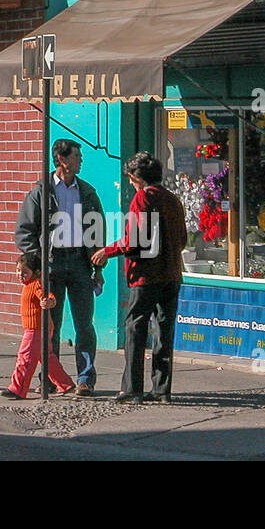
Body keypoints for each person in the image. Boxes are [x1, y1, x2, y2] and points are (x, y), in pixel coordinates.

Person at [91, 150, 188, 404]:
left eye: (131, 180)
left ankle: (132, 389)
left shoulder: (142, 199)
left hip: (145, 277)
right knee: (164, 332)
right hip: (171, 274)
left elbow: (133, 240)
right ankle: (161, 389)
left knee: (135, 329)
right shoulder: (173, 200)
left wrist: (107, 251)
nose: (131, 184)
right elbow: (182, 240)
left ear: (137, 178)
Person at [14, 138, 105, 395]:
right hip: (50, 265)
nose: (81, 161)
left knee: (84, 324)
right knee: (50, 325)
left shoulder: (87, 192)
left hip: (79, 262)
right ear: (62, 161)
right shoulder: (41, 192)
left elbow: (97, 230)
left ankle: (85, 378)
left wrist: (98, 267)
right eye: (76, 156)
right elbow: (24, 232)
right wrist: (38, 262)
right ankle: (50, 379)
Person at [0, 253, 76, 400]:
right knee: (47, 358)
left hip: (35, 329)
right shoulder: (28, 285)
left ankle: (18, 389)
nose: (20, 275)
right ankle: (65, 384)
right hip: (40, 328)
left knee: (25, 358)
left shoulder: (36, 284)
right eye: (18, 271)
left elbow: (49, 297)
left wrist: (49, 302)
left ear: (37, 273)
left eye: (24, 272)